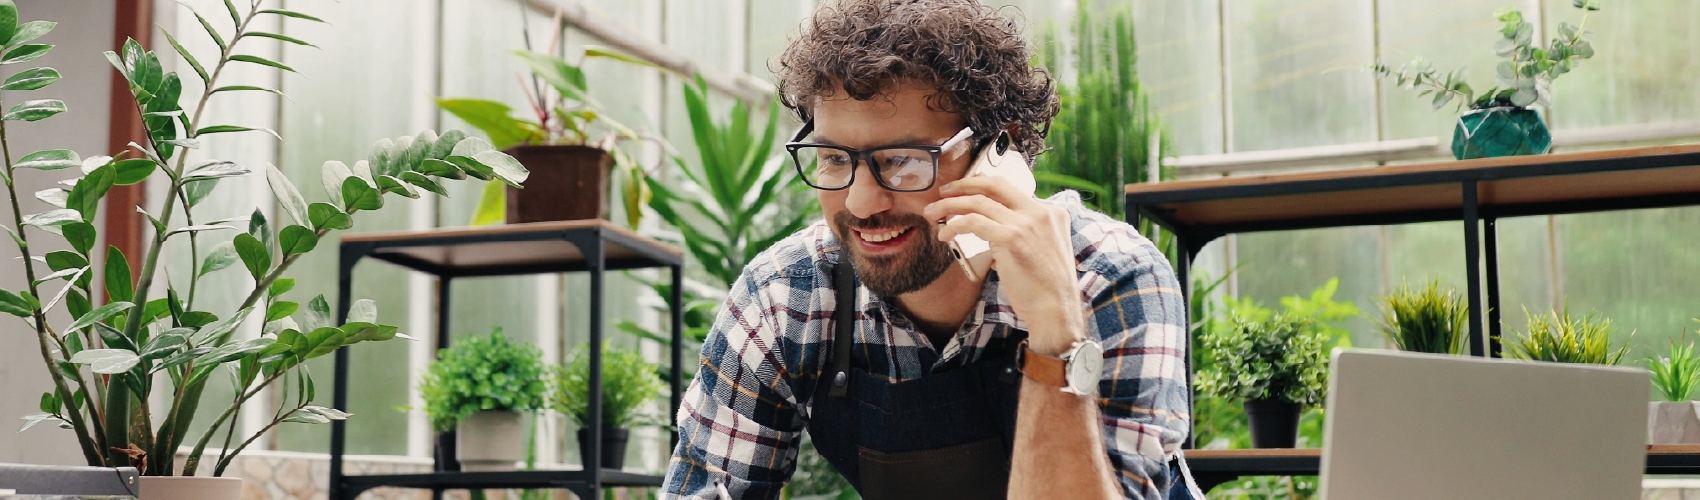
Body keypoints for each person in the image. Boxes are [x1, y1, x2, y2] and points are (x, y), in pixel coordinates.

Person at [660, 1, 1193, 498]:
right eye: (834, 159)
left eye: (903, 161)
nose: (862, 203)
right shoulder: (786, 295)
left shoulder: (1108, 275)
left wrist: (1056, 337)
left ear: (999, 151)